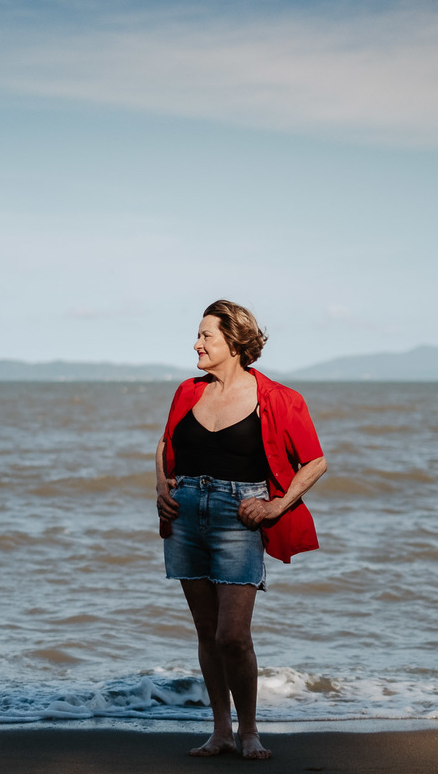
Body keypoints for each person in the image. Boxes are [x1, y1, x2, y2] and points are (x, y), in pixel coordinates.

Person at [155, 299, 327, 760]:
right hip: (185, 514)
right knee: (206, 631)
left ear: (234, 342)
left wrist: (275, 508)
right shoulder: (188, 391)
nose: (197, 343)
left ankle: (249, 729)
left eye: (206, 335)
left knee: (232, 635)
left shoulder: (277, 398)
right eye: (198, 334)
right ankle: (220, 732)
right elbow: (165, 443)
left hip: (239, 515)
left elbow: (314, 461)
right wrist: (161, 486)